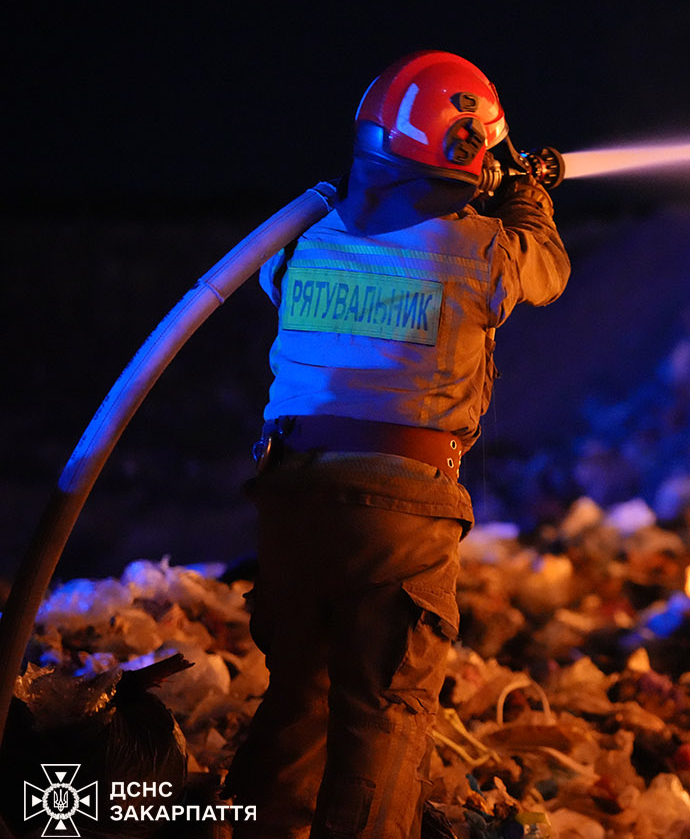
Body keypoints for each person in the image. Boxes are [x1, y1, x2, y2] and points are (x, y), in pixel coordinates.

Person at [225, 51, 570, 839]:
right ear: (465, 144)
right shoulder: (479, 248)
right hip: (399, 510)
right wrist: (527, 197)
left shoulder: (299, 238)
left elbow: (340, 253)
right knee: (384, 712)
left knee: (298, 698)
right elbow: (545, 269)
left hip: (290, 497)